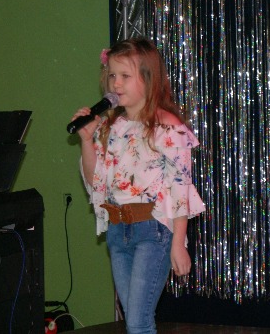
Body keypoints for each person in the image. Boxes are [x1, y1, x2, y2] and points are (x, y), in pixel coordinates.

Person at [71, 36, 205, 334]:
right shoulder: (112, 127)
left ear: (148, 79)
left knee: (138, 322)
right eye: (112, 76)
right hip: (118, 232)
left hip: (152, 232)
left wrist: (178, 243)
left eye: (125, 76)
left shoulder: (167, 126)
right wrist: (86, 141)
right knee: (133, 320)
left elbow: (180, 187)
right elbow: (95, 183)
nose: (116, 83)